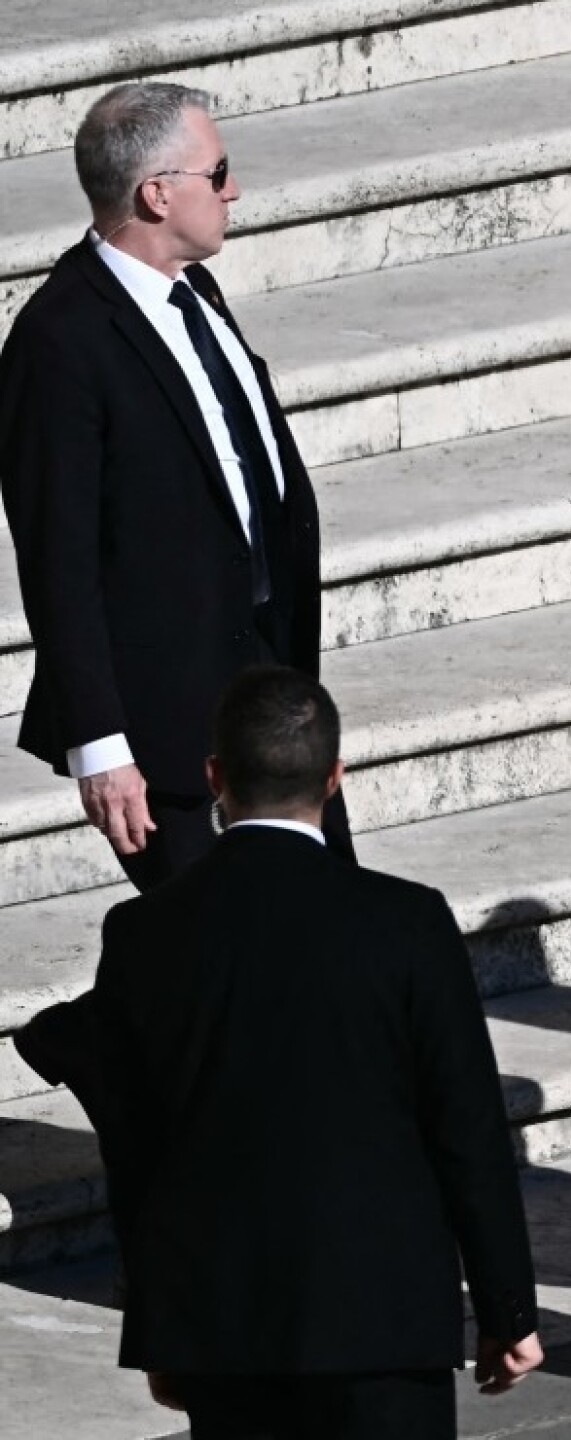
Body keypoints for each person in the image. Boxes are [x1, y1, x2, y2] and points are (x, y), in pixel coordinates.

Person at [11, 667, 540, 1439]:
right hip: (383, 1322)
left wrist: (165, 1327)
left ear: (214, 777)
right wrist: (507, 1310)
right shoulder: (406, 922)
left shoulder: (146, 932)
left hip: (226, 1331)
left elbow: (136, 1145)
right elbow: (467, 1130)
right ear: (335, 779)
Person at [0, 81, 339, 892]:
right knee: (222, 963)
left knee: (319, 929)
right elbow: (58, 561)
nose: (234, 190)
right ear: (157, 194)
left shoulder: (196, 293)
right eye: (217, 173)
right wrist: (102, 748)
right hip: (165, 735)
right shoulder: (60, 341)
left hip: (268, 704)